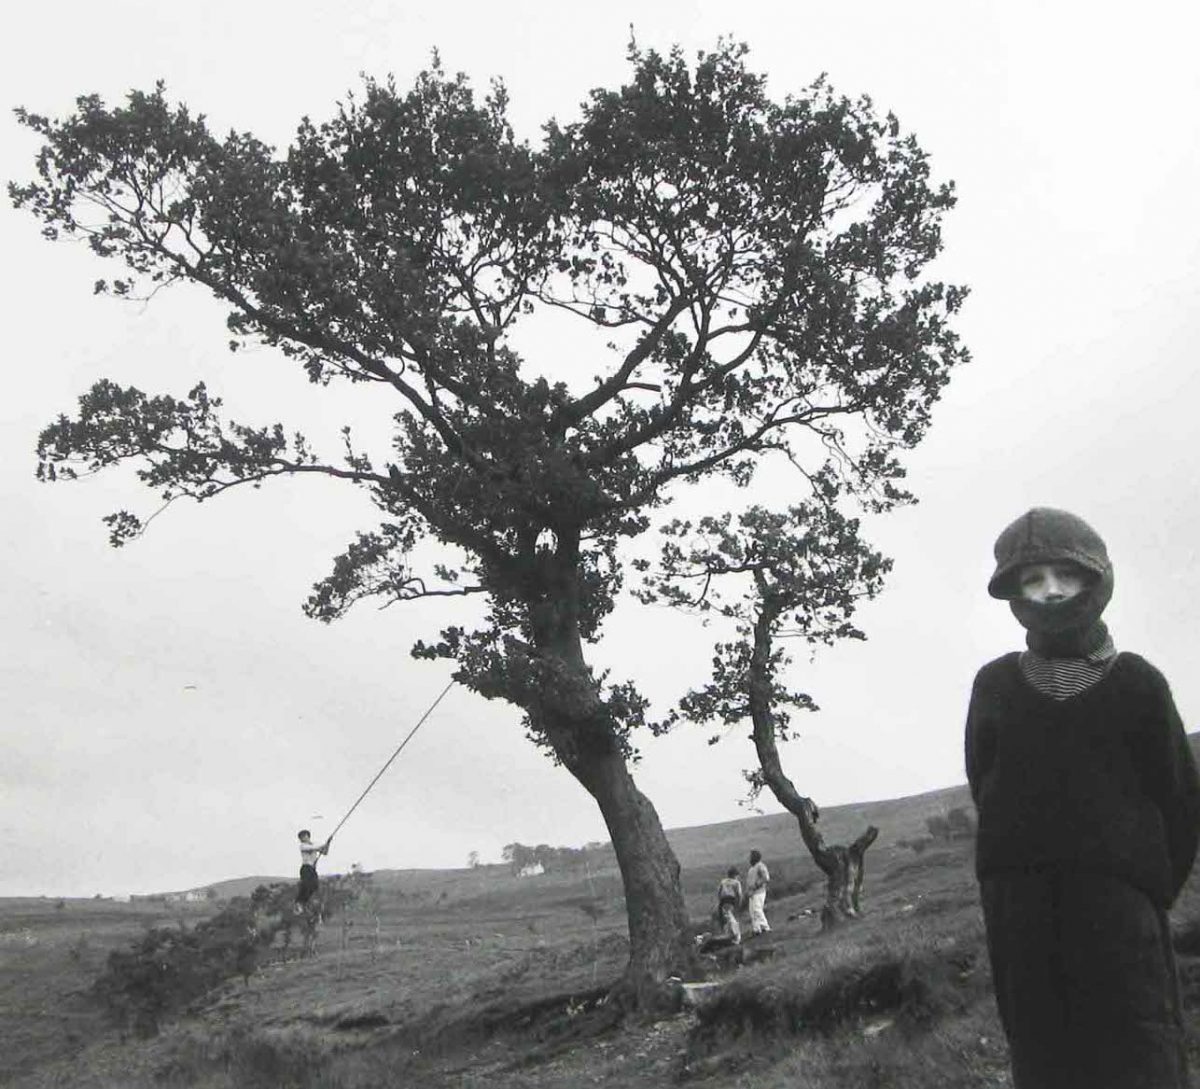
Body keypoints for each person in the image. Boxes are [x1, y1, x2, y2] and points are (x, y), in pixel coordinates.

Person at [965, 507, 1200, 1089]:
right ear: (1015, 593)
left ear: (1095, 578)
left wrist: (1134, 890)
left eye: (1065, 575)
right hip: (1022, 922)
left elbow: (1179, 804)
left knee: (1140, 1057)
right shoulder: (995, 687)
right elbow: (987, 789)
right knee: (1045, 1060)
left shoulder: (1139, 685)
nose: (1050, 591)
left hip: (1122, 921)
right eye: (1032, 579)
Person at [295, 829, 331, 911]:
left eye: (304, 836)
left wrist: (328, 844)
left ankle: (303, 902)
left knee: (314, 886)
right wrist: (325, 844)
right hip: (306, 868)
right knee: (306, 885)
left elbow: (325, 852)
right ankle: (299, 902)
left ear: (308, 836)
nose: (302, 839)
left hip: (312, 869)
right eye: (301, 838)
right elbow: (314, 848)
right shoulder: (303, 846)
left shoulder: (313, 845)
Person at [746, 849, 771, 935]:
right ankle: (757, 929)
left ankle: (765, 927)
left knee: (757, 909)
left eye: (751, 856)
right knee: (752, 912)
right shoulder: (751, 869)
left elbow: (766, 878)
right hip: (752, 893)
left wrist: (757, 885)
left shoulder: (760, 866)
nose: (749, 858)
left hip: (759, 892)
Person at [716, 866, 743, 945]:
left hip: (723, 901)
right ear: (734, 875)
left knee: (725, 919)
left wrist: (720, 901)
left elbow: (719, 892)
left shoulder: (723, 881)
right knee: (731, 918)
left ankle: (729, 936)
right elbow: (739, 894)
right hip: (731, 900)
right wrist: (739, 903)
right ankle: (736, 936)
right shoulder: (736, 882)